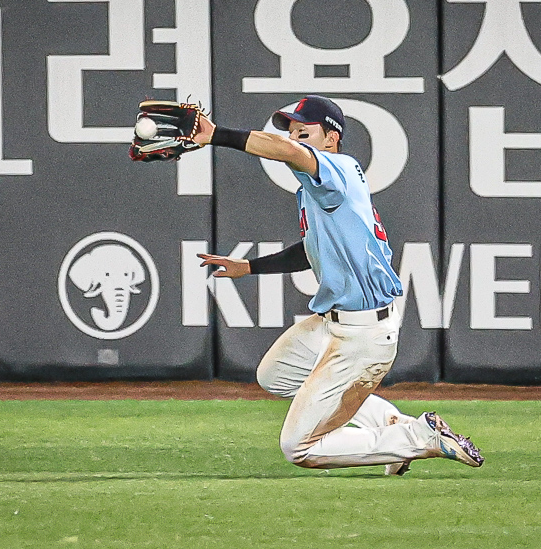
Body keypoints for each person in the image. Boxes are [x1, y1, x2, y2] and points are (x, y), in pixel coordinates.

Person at [192, 95, 483, 474]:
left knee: (299, 448)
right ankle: (390, 424)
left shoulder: (337, 170)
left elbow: (285, 151)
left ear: (331, 138)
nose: (296, 140)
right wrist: (248, 267)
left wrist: (217, 135)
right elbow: (313, 249)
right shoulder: (320, 190)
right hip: (337, 322)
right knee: (276, 375)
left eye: (304, 133)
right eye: (293, 133)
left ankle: (417, 439)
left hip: (363, 333)